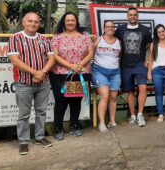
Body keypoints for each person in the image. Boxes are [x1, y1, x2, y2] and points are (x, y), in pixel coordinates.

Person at [8, 12, 55, 155]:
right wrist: (35, 73)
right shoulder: (15, 38)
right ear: (23, 22)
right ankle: (23, 141)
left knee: (41, 111)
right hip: (24, 83)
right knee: (24, 114)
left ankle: (40, 137)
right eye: (30, 21)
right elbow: (15, 60)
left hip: (43, 83)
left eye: (36, 21)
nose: (33, 24)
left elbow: (51, 59)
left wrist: (42, 74)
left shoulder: (43, 39)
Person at [49, 12, 94, 140]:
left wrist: (80, 65)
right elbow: (55, 55)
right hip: (60, 74)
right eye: (67, 20)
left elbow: (90, 53)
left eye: (73, 20)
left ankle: (75, 125)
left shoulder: (85, 36)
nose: (70, 22)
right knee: (61, 102)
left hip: (80, 73)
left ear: (76, 22)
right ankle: (58, 128)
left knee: (75, 101)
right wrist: (70, 65)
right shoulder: (57, 37)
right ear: (64, 22)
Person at [115, 7, 152, 127]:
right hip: (125, 65)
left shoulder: (145, 30)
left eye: (135, 15)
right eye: (130, 15)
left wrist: (147, 60)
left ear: (138, 16)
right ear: (127, 16)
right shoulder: (120, 29)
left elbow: (150, 47)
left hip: (140, 64)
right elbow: (113, 42)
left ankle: (140, 114)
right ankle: (132, 115)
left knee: (143, 88)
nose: (132, 17)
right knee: (130, 91)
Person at [92, 20, 121, 132]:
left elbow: (120, 57)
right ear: (104, 28)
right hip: (99, 71)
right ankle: (102, 123)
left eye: (112, 26)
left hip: (115, 72)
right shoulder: (98, 39)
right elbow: (91, 52)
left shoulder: (119, 41)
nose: (110, 28)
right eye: (107, 26)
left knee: (113, 97)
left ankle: (112, 121)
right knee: (104, 96)